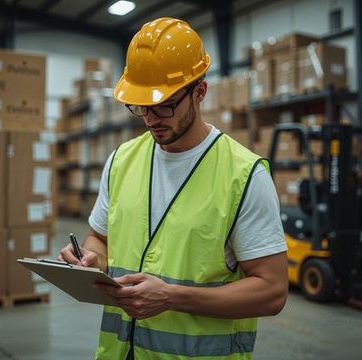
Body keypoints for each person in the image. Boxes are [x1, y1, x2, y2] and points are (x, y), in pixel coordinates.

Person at [59, 17, 288, 359]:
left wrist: (172, 297)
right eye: (141, 106)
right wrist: (92, 259)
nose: (151, 118)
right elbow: (99, 237)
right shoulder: (122, 160)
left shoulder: (243, 176)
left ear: (200, 92)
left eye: (165, 105)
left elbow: (272, 293)